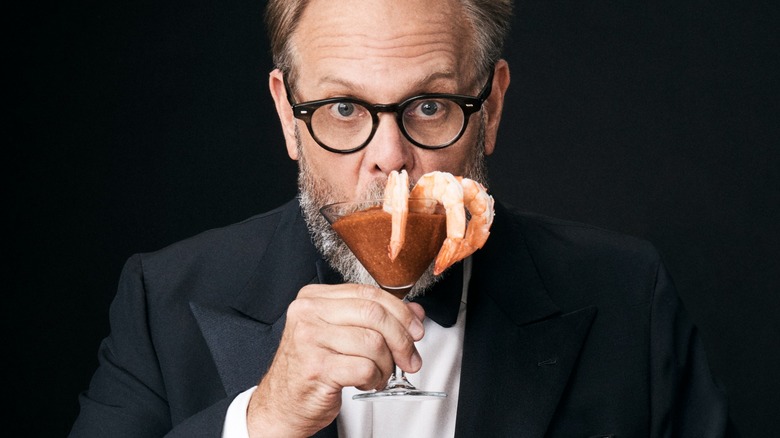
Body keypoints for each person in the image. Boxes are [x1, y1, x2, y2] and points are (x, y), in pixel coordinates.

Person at [70, 0, 736, 436]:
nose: (389, 160)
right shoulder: (164, 298)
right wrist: (263, 418)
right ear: (287, 116)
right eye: (342, 109)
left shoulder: (627, 294)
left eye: (429, 105)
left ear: (492, 107)